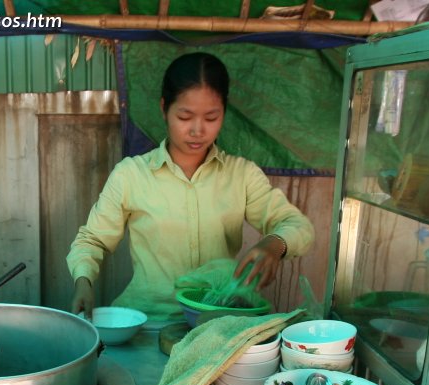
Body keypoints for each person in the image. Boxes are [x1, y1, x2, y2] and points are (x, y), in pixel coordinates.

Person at [68, 52, 314, 322]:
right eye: (185, 117)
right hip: (148, 321)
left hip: (218, 322)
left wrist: (274, 244)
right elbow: (93, 240)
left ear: (224, 112)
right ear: (164, 108)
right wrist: (83, 280)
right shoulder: (131, 175)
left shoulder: (242, 175)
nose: (198, 130)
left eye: (211, 118)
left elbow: (298, 225)